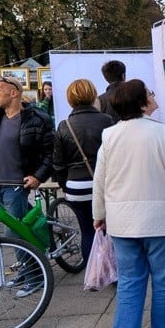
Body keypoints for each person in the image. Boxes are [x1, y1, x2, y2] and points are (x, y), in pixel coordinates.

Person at [93, 79, 165, 328]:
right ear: (141, 103)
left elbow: (99, 181)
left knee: (129, 280)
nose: (153, 95)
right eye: (149, 93)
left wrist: (98, 215)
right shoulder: (163, 134)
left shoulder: (109, 137)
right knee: (164, 278)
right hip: (161, 220)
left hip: (122, 222)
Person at [0, 75, 54, 296]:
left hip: (17, 184)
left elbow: (51, 152)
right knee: (15, 232)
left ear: (14, 93)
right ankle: (26, 269)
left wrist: (38, 176)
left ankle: (36, 276)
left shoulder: (36, 119)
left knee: (16, 234)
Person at [54, 79, 113, 263]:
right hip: (103, 184)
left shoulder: (65, 125)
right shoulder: (107, 121)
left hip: (76, 186)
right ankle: (111, 272)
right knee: (108, 230)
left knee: (87, 230)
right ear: (93, 95)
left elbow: (58, 163)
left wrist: (65, 184)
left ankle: (93, 272)